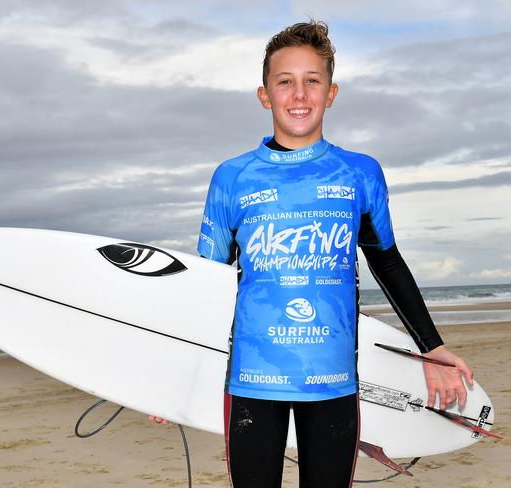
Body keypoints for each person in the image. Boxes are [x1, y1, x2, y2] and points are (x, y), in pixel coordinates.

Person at [150, 20, 474, 488]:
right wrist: (173, 377)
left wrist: (433, 346)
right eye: (285, 82)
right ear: (265, 95)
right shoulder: (233, 178)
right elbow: (208, 283)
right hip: (251, 380)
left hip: (333, 378)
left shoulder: (359, 173)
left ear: (331, 92)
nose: (298, 94)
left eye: (312, 81)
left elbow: (385, 259)